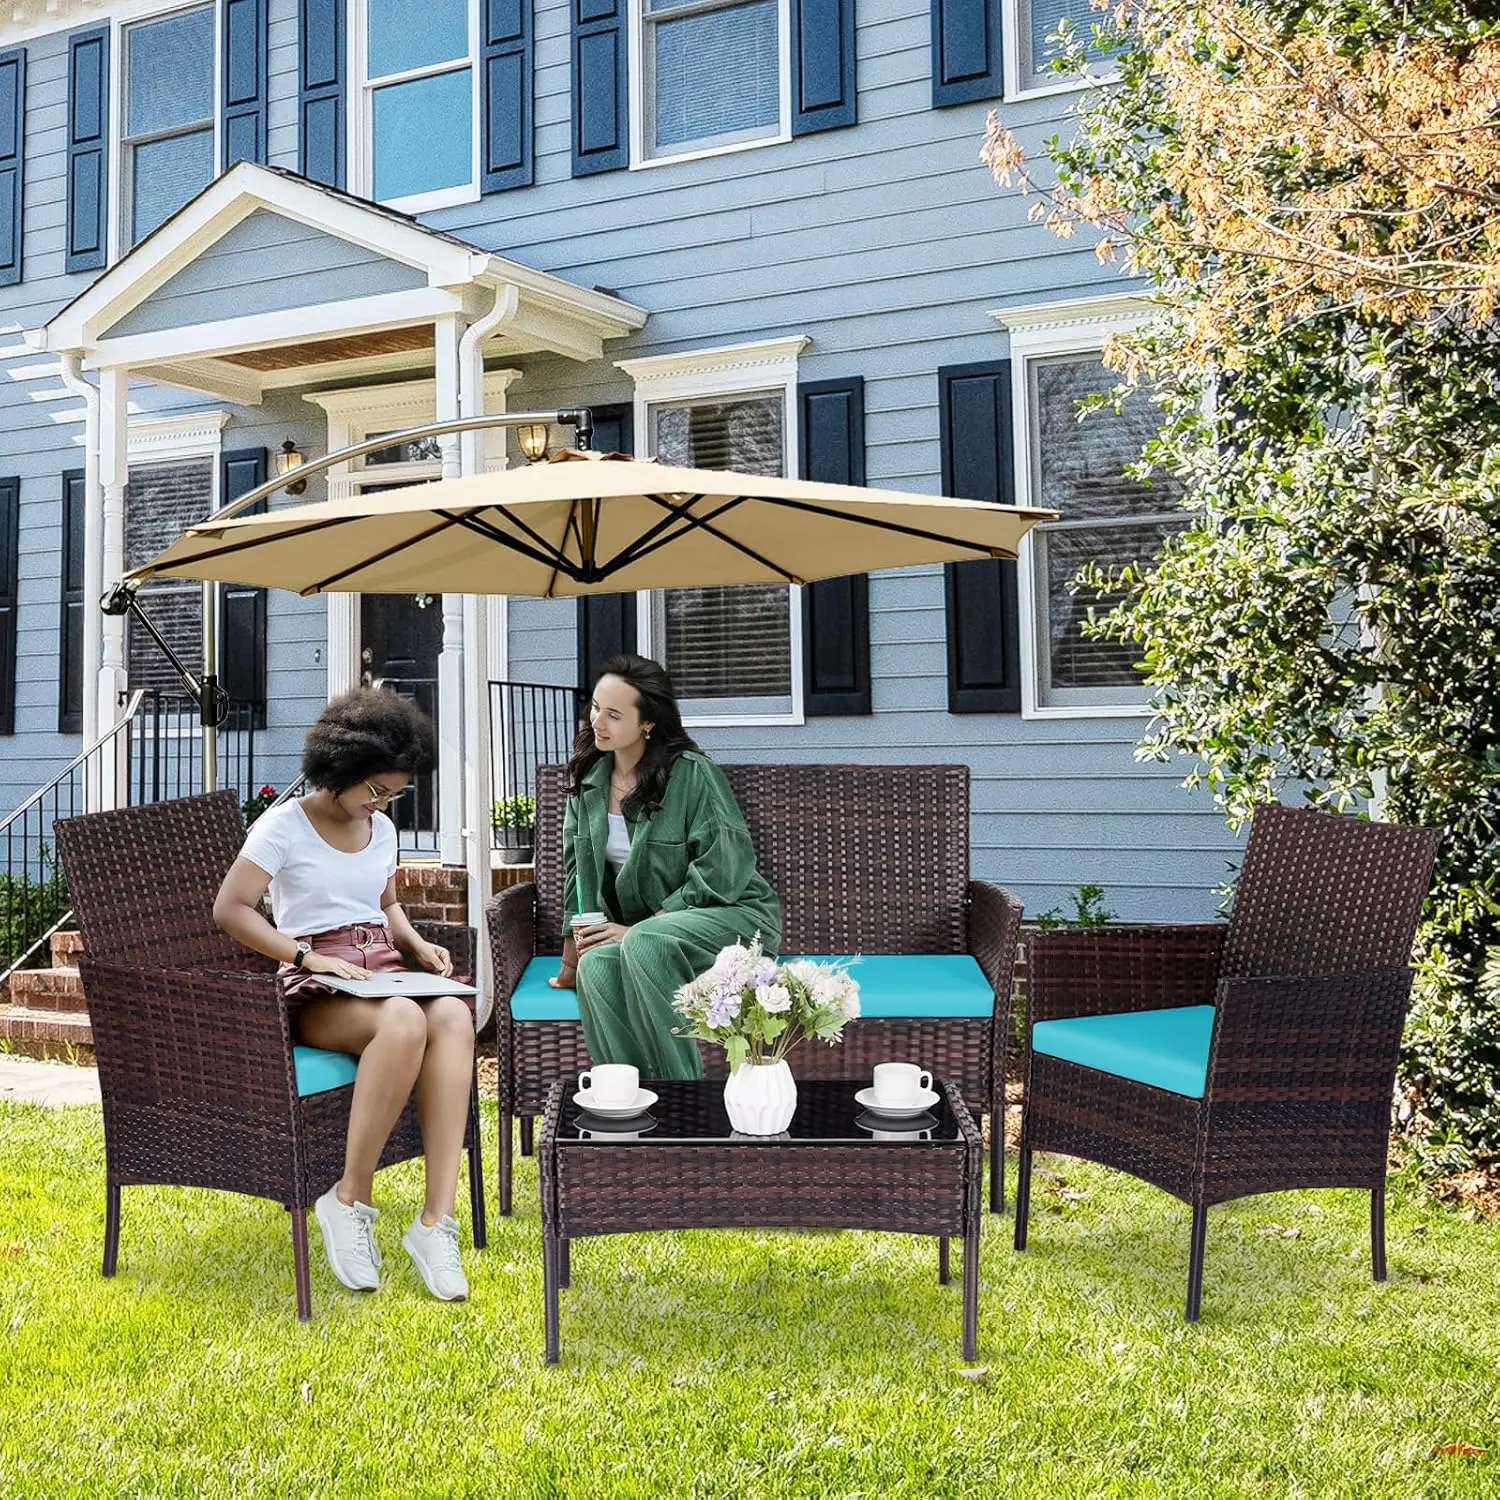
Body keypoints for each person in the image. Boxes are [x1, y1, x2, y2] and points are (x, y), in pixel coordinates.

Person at [212, 688, 474, 1302]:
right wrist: (306, 956)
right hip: (315, 980)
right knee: (406, 1022)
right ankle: (348, 1197)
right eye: (374, 790)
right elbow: (230, 910)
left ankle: (437, 1222)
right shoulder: (284, 826)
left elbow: (383, 902)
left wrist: (415, 944)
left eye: (393, 794)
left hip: (381, 968)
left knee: (456, 1017)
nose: (381, 803)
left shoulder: (380, 829)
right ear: (340, 770)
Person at [552, 654, 782, 1079]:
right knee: (597, 968)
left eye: (614, 714)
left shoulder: (693, 775)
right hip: (650, 938)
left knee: (644, 943)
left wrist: (644, 926)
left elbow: (724, 868)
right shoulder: (587, 782)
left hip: (733, 920)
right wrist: (572, 962)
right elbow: (576, 876)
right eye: (595, 707)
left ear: (648, 724)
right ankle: (628, 1098)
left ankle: (682, 1099)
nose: (597, 721)